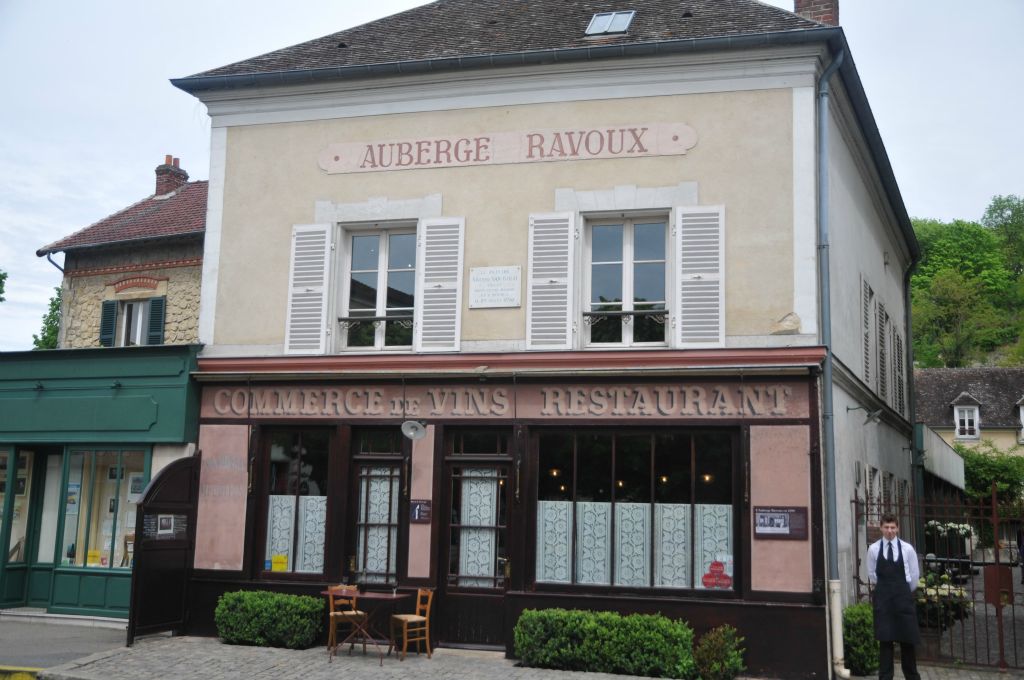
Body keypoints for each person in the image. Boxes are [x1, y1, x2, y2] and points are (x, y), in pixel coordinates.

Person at [867, 513, 921, 680]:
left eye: (892, 527)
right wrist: (887, 589)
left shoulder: (907, 549)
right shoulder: (873, 549)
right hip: (884, 602)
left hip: (903, 601)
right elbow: (872, 575)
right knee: (885, 644)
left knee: (908, 644)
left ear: (897, 528)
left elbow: (914, 577)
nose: (889, 531)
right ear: (881, 528)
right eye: (886, 527)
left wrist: (901, 592)